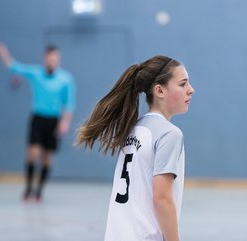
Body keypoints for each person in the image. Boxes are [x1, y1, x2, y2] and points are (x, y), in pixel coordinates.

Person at [76, 55, 194, 241]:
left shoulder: (135, 128)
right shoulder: (169, 134)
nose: (191, 90)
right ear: (159, 90)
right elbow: (161, 198)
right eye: (183, 84)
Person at [0, 43, 76, 202]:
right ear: (45, 59)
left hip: (53, 120)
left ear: (58, 59)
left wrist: (65, 122)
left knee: (46, 158)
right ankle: (28, 188)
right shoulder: (36, 73)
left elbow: (69, 104)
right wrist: (3, 54)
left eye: (55, 58)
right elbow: (13, 67)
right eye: (49, 57)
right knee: (33, 154)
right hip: (37, 119)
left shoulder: (65, 79)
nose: (52, 60)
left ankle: (39, 191)